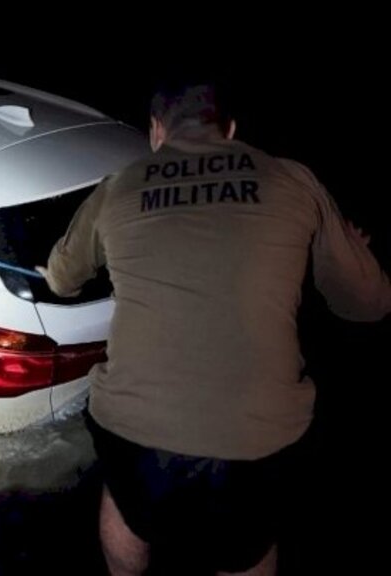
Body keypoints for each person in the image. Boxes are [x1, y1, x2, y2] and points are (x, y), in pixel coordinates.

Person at [37, 81, 389, 575]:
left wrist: (57, 269)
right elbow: (368, 305)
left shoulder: (119, 184)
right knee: (245, 547)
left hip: (136, 432)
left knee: (124, 493)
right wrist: (352, 249)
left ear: (156, 130)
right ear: (230, 130)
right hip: (255, 442)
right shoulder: (294, 181)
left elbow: (61, 279)